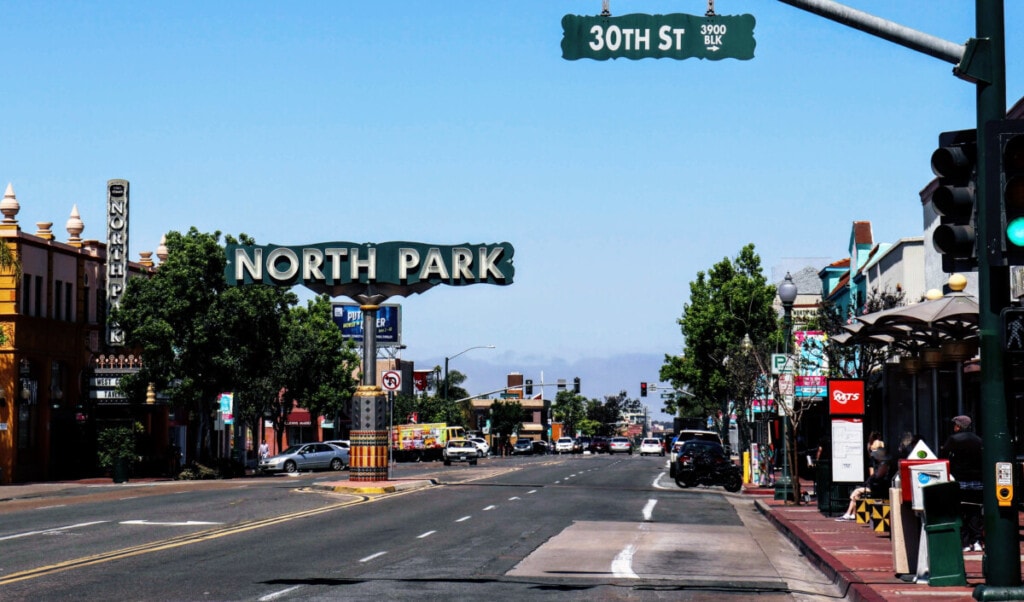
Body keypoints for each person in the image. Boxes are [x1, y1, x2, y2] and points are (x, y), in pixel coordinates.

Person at [940, 415, 984, 552]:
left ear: (958, 426)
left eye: (955, 425)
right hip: (977, 481)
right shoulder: (979, 440)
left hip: (959, 480)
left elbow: (943, 457)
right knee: (975, 511)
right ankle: (976, 540)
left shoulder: (953, 440)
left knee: (960, 511)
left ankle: (964, 542)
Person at [836, 448, 893, 521]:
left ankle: (848, 513)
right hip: (876, 486)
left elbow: (878, 476)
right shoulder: (882, 464)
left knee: (856, 492)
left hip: (876, 488)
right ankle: (853, 513)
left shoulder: (883, 465)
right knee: (857, 494)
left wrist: (872, 478)